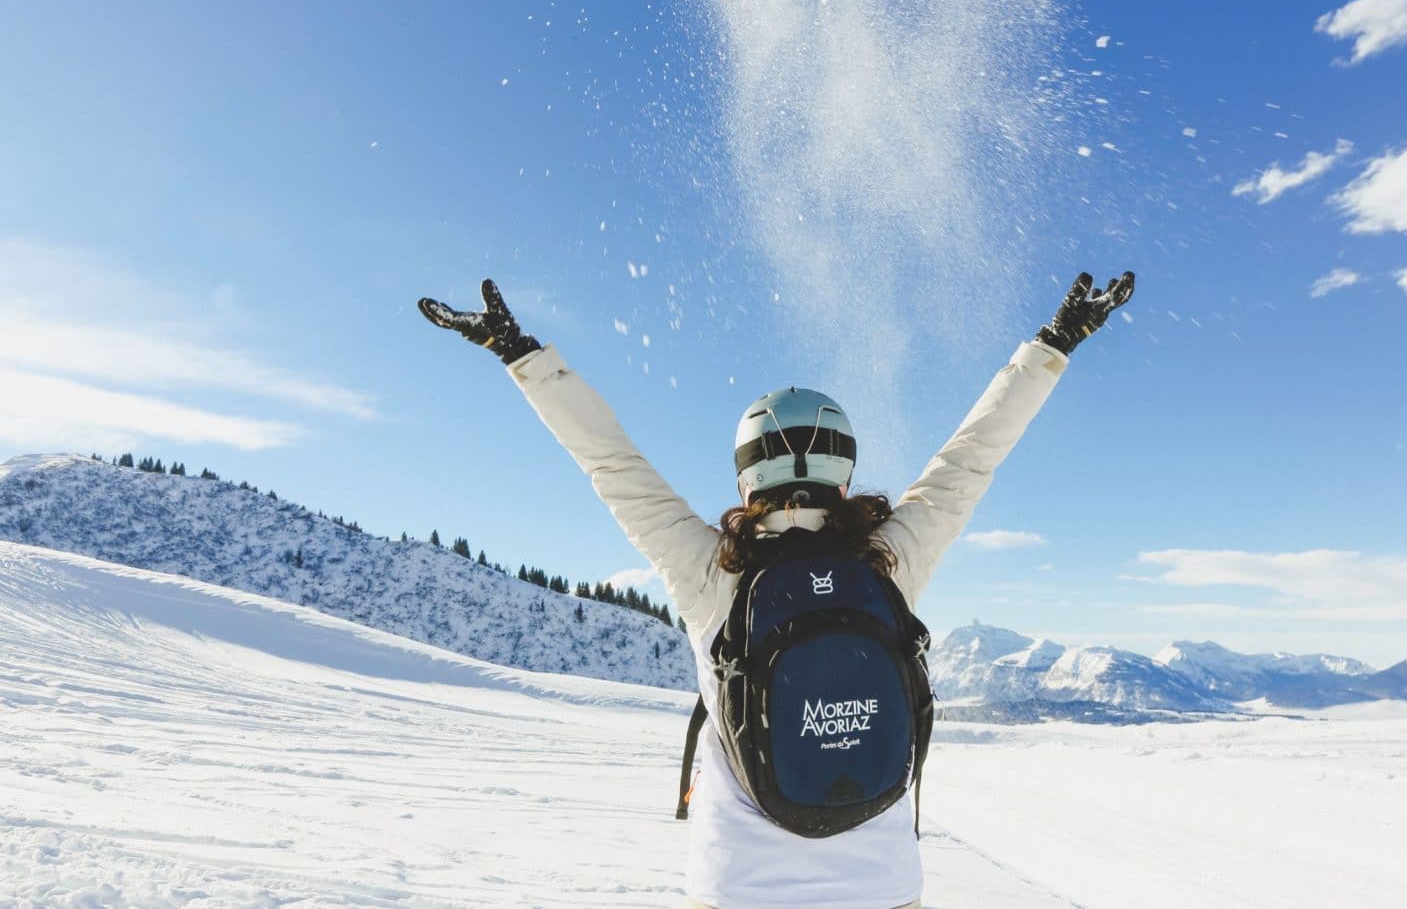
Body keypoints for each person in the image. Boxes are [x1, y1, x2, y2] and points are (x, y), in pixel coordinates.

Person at [418, 270, 1134, 909]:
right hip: (881, 884)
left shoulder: (711, 570)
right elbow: (972, 456)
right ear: (843, 471)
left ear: (744, 475)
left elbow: (609, 460)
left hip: (738, 885)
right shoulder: (891, 559)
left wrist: (519, 353)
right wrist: (1054, 341)